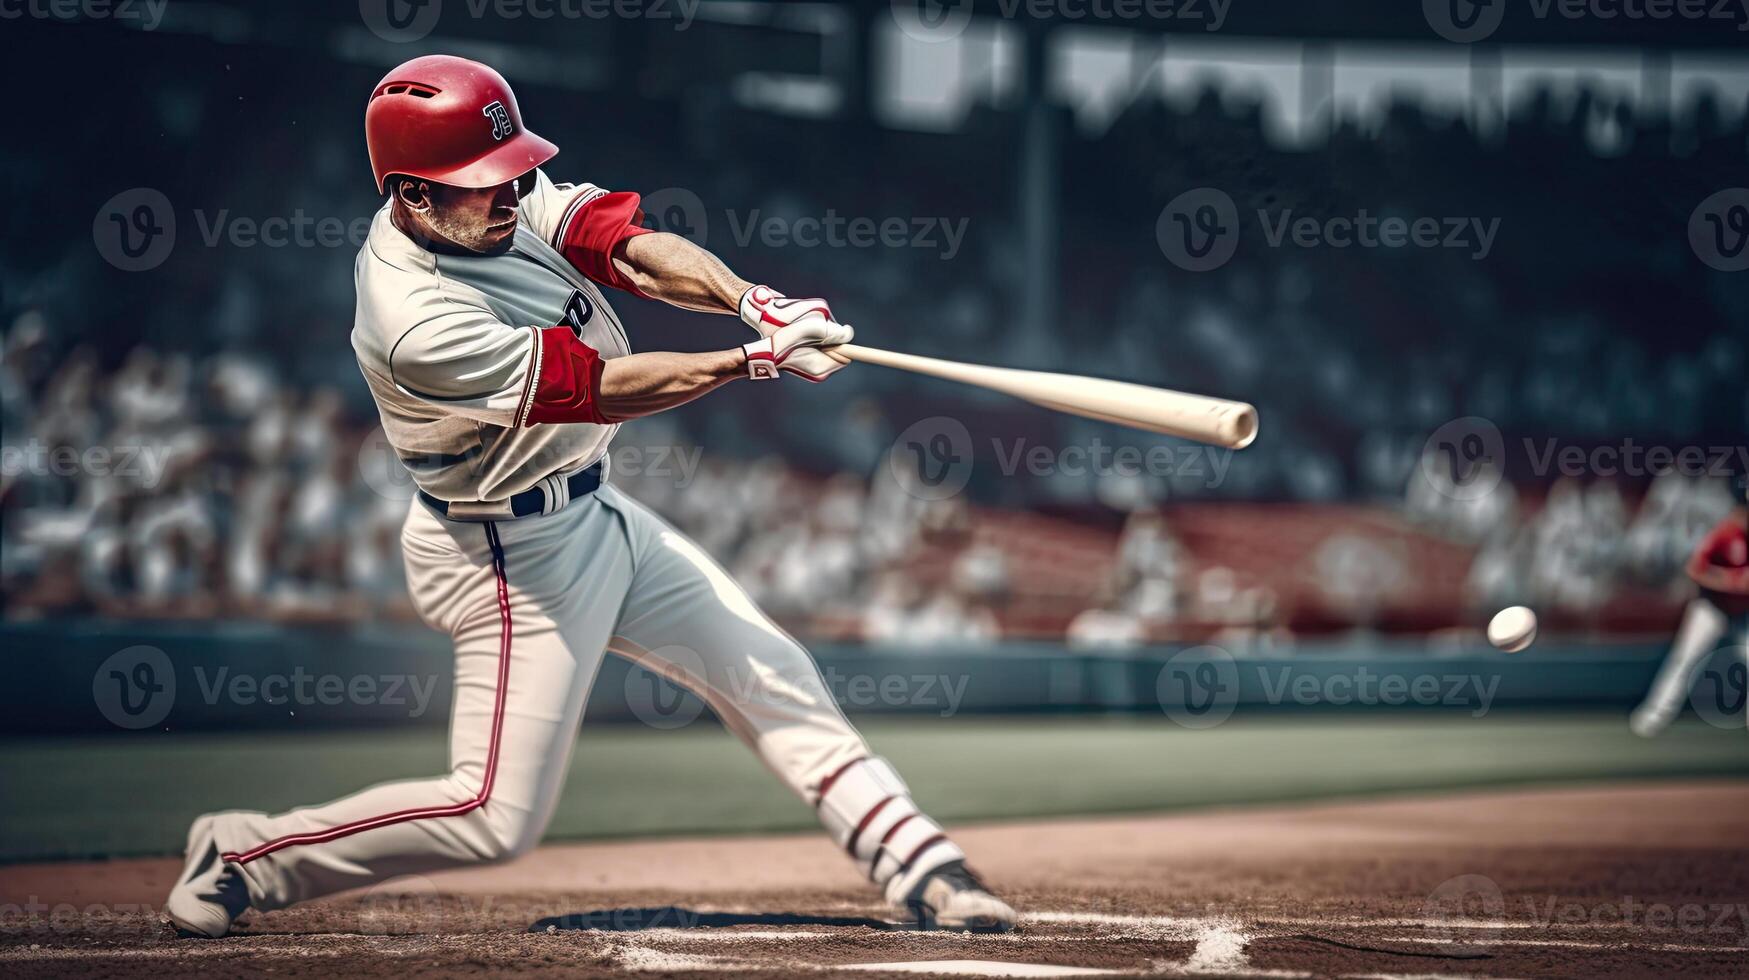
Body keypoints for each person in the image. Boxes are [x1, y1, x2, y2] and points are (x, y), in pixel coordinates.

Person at [164, 55, 1016, 937]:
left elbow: (628, 249)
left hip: (592, 509)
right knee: (491, 816)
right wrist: (753, 361)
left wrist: (752, 302)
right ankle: (243, 856)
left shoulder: (488, 201)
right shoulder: (413, 317)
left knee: (768, 668)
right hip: (505, 553)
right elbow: (600, 386)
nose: (511, 192)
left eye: (512, 172)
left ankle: (922, 865)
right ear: (413, 195)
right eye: (485, 182)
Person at [1629, 486, 1748, 737]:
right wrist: (1728, 581)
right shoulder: (1725, 532)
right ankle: (1656, 714)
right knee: (1684, 658)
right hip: (1712, 607)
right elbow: (1694, 568)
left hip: (1744, 612)